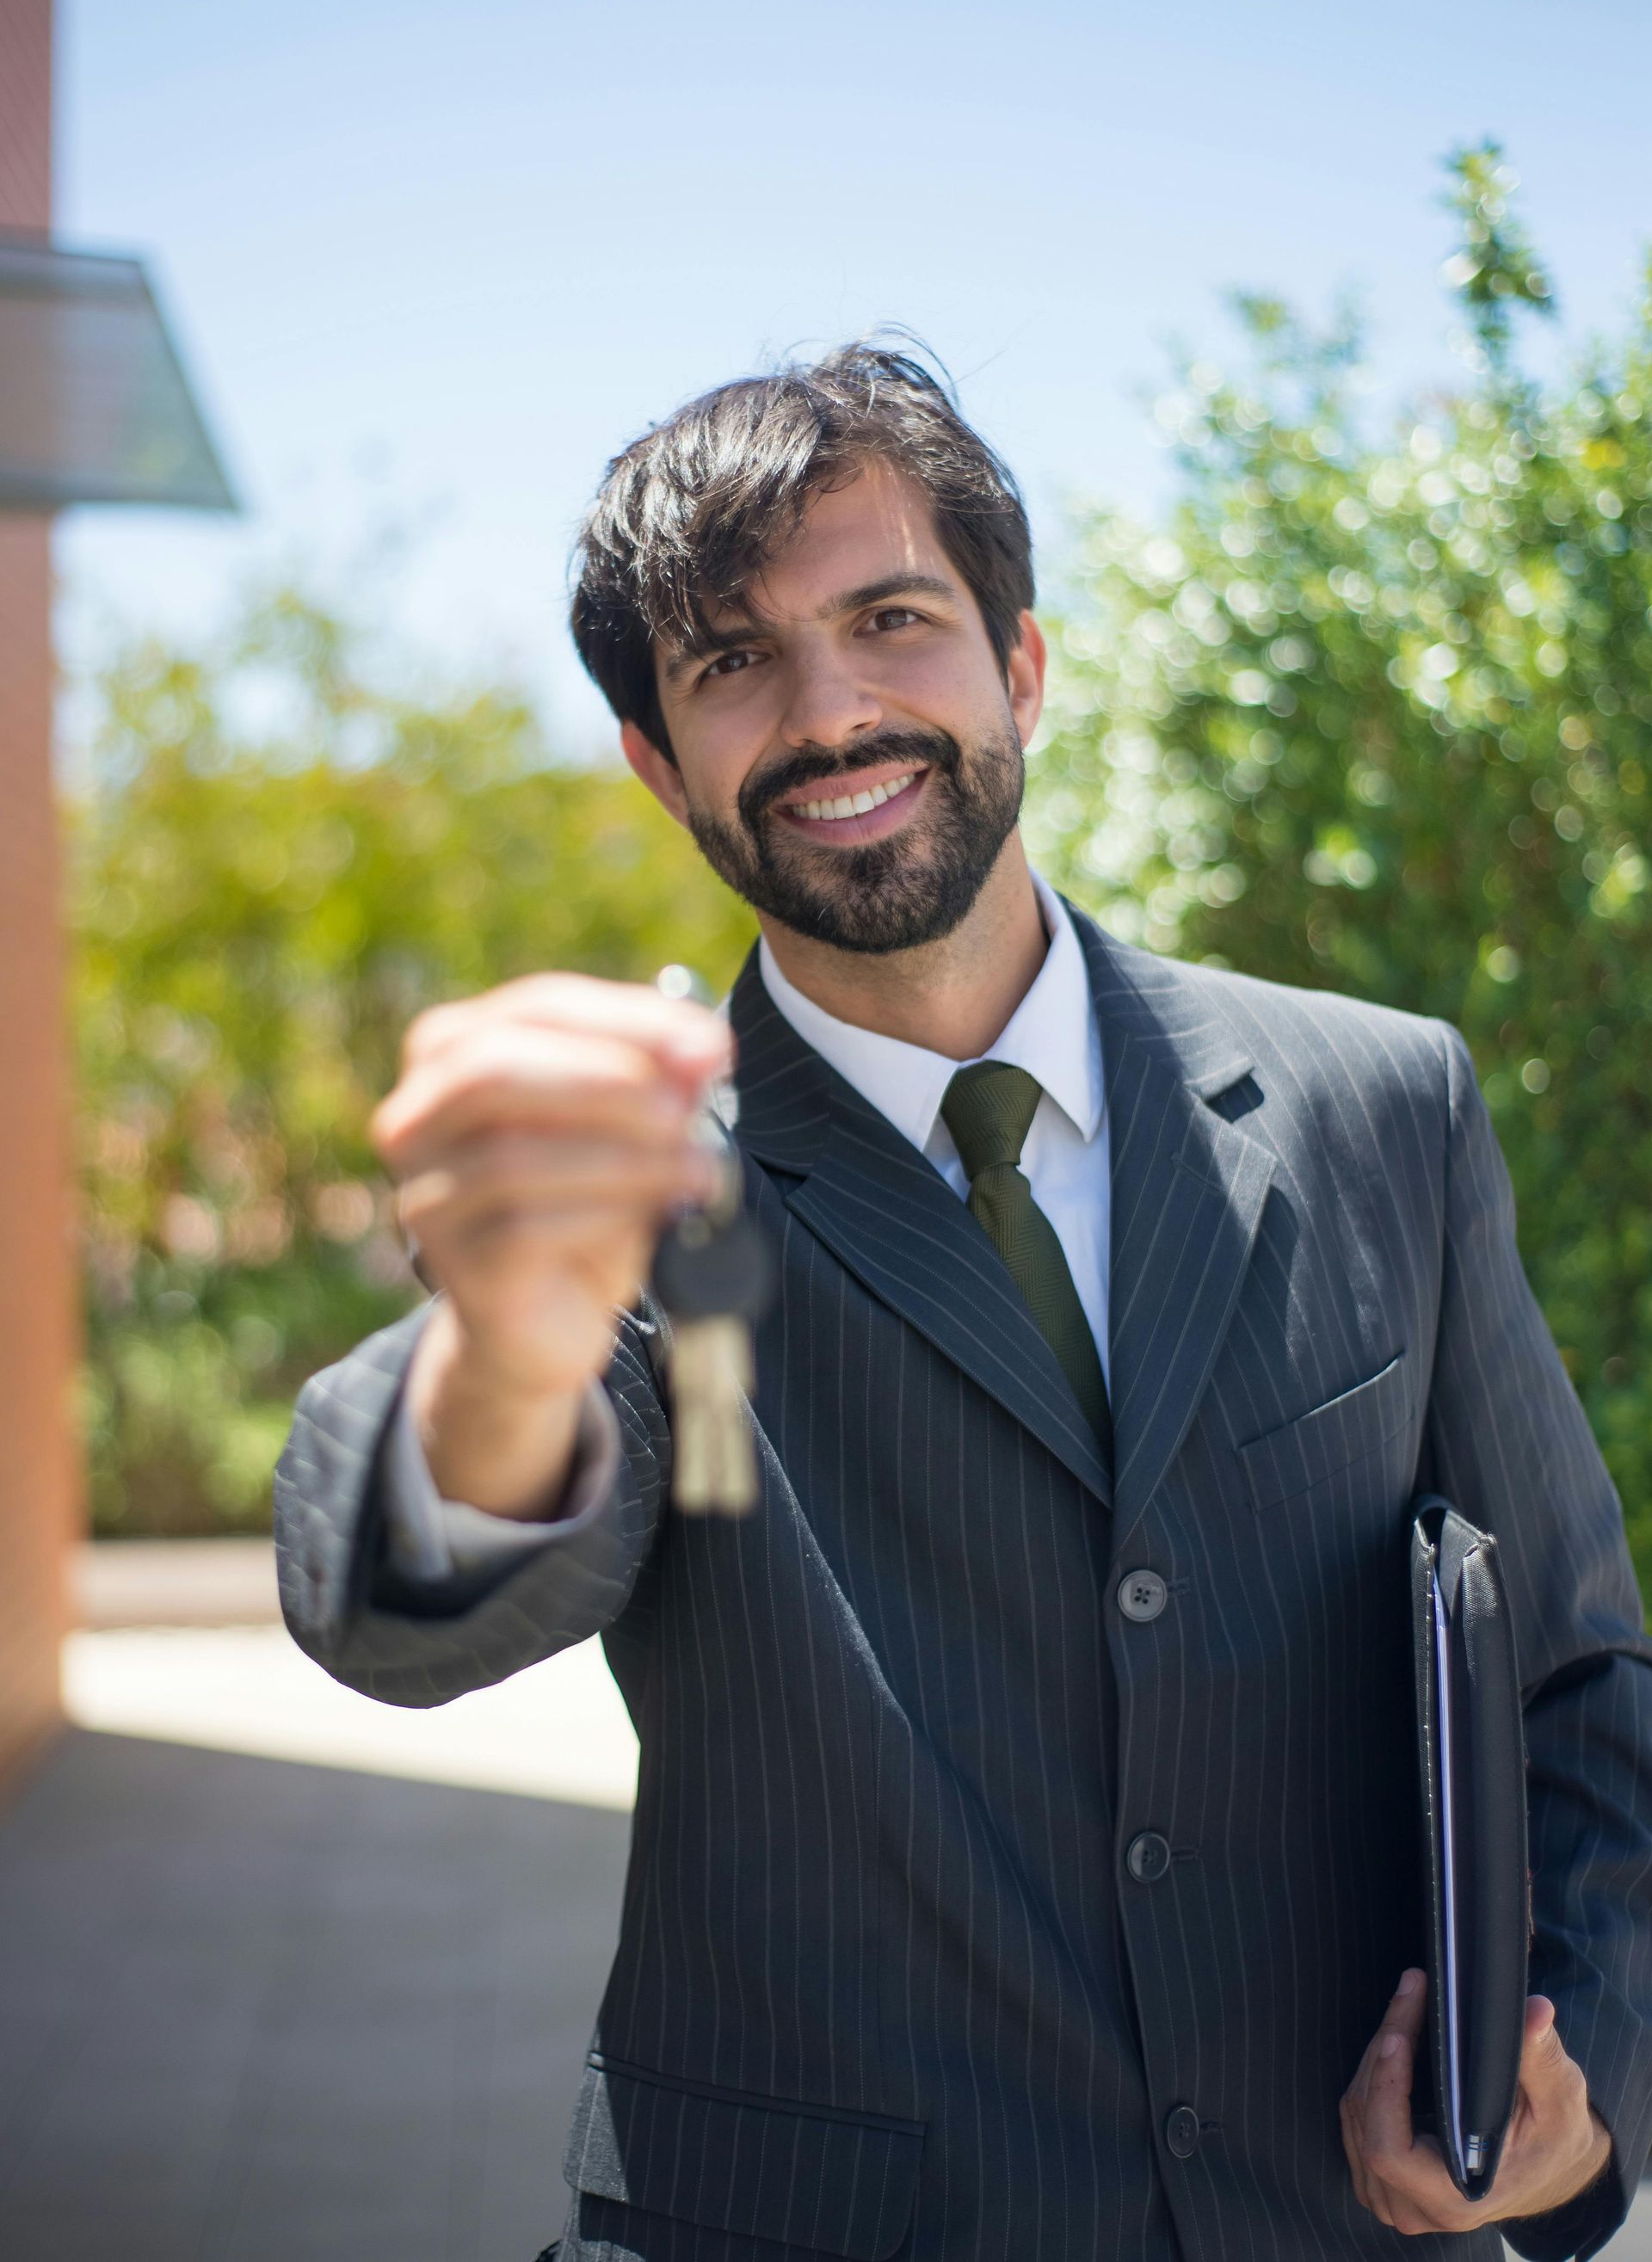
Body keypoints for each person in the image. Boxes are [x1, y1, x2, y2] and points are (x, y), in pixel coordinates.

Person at [276, 344, 1652, 2262]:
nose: (832, 712)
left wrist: (1562, 2103)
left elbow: (1578, 1680)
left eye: (891, 618)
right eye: (734, 661)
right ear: (659, 763)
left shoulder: (1380, 1105)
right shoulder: (655, 1183)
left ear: (1020, 663)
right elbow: (393, 1592)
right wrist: (501, 1353)